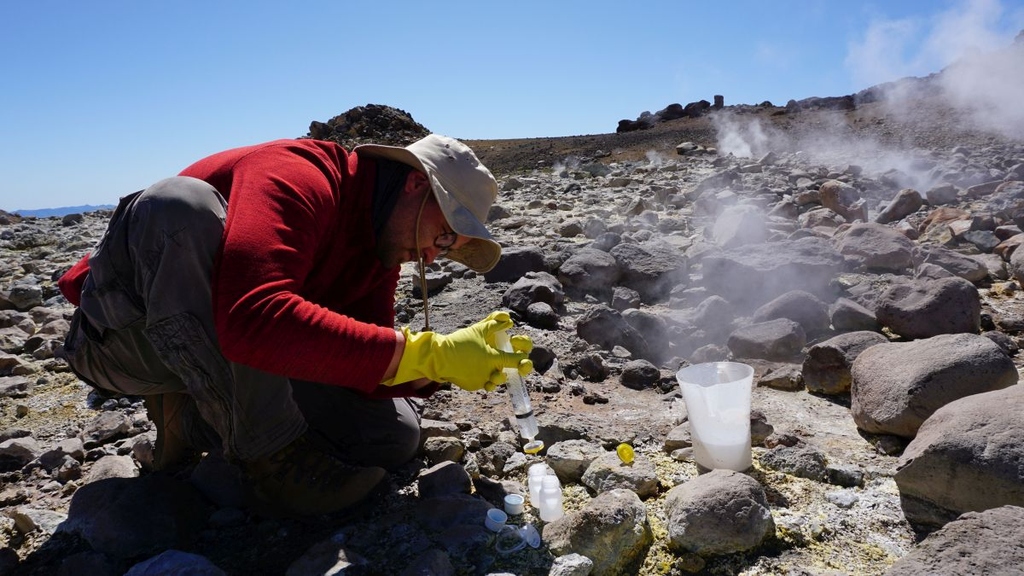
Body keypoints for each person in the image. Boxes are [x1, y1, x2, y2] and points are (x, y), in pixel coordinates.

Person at [57, 134, 534, 517]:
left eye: (448, 249)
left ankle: (191, 416)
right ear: (414, 183)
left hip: (229, 350)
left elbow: (362, 367)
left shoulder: (378, 246)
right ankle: (272, 457)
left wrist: (440, 367)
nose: (434, 255)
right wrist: (422, 351)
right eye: (444, 233)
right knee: (178, 202)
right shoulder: (297, 175)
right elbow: (253, 316)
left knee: (391, 437)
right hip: (122, 343)